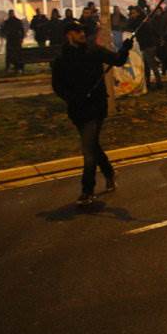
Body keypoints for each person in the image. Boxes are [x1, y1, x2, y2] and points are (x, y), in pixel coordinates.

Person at [51, 19, 133, 206]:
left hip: (95, 107)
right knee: (93, 145)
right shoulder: (61, 58)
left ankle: (87, 190)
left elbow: (118, 60)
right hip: (77, 109)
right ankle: (109, 172)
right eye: (77, 31)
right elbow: (57, 85)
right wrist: (71, 98)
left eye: (83, 31)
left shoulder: (93, 50)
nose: (82, 34)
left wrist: (125, 48)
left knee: (88, 149)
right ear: (68, 34)